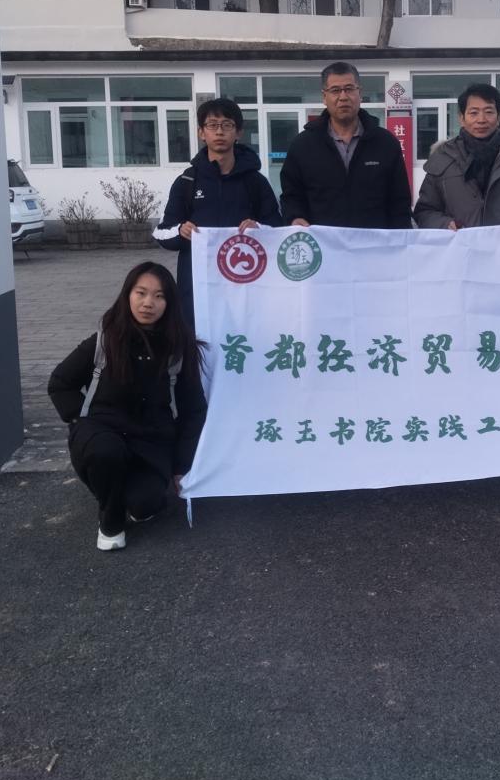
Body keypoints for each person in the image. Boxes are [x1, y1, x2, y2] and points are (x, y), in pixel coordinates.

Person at [48, 262, 207, 552]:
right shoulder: (105, 340)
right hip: (102, 433)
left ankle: (122, 490)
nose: (148, 303)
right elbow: (60, 383)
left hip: (151, 441)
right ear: (127, 295)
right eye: (141, 293)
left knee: (146, 505)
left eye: (159, 296)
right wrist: (80, 421)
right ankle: (110, 520)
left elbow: (193, 409)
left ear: (170, 303)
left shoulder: (178, 348)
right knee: (104, 453)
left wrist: (182, 465)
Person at [155, 98, 282, 327]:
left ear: (238, 132)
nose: (220, 131)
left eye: (227, 125)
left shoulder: (255, 182)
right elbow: (162, 233)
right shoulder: (187, 182)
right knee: (198, 342)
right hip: (197, 287)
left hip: (247, 286)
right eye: (212, 125)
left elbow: (278, 228)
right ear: (201, 133)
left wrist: (259, 230)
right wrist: (180, 231)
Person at [279, 61, 413, 229]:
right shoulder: (303, 145)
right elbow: (291, 196)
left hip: (374, 243)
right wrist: (295, 217)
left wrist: (400, 238)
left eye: (349, 89)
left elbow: (400, 201)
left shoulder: (385, 143)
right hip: (323, 242)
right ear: (324, 97)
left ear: (360, 93)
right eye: (335, 90)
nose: (343, 97)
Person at [413, 83, 500, 230]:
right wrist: (444, 224)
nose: (481, 120)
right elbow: (425, 211)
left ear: (498, 117)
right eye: (473, 113)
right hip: (460, 243)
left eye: (489, 112)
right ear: (462, 118)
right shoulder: (443, 157)